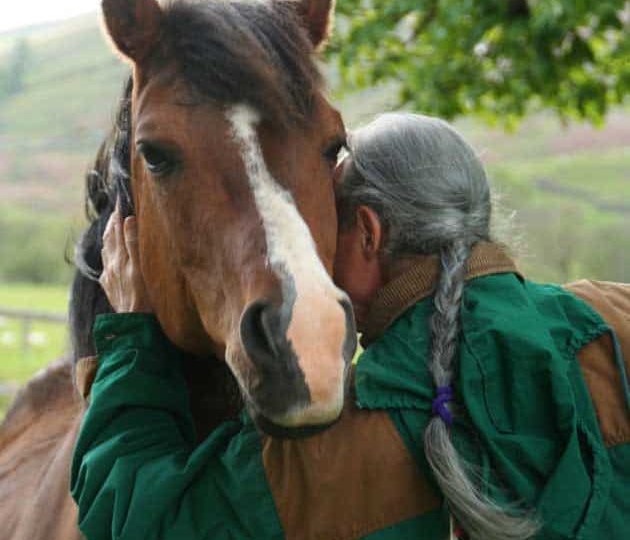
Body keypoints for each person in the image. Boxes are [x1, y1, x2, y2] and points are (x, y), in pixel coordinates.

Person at [71, 113, 630, 540]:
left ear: (367, 233)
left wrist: (133, 341)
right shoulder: (611, 315)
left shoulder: (341, 448)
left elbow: (140, 519)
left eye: (325, 222)